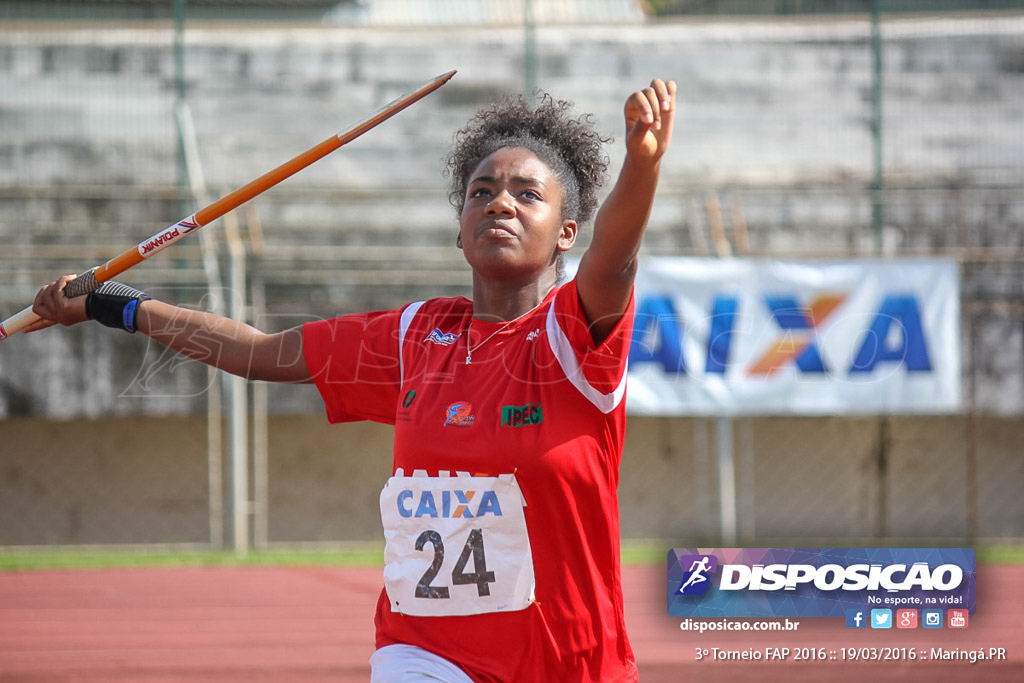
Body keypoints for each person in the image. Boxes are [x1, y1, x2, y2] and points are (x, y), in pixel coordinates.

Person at [29, 77, 677, 682]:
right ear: (459, 232)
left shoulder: (575, 338)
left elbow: (614, 257)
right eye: (480, 192)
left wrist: (642, 165)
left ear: (567, 231)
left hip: (571, 660)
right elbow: (259, 351)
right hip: (426, 650)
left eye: (526, 193)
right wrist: (116, 305)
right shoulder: (414, 336)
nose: (499, 202)